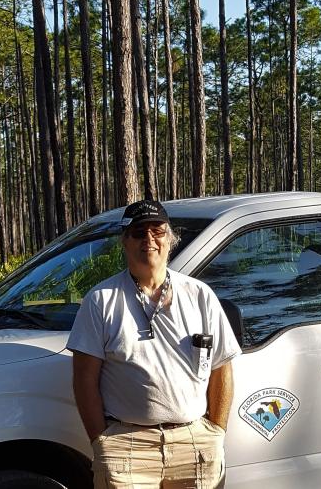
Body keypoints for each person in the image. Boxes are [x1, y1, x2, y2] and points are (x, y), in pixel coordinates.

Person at [67, 199, 241, 489]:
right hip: (126, 445)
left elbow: (222, 369)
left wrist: (215, 433)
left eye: (157, 231)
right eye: (138, 232)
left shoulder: (200, 295)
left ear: (170, 239)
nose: (148, 239)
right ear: (124, 241)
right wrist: (101, 442)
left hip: (195, 443)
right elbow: (84, 379)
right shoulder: (100, 300)